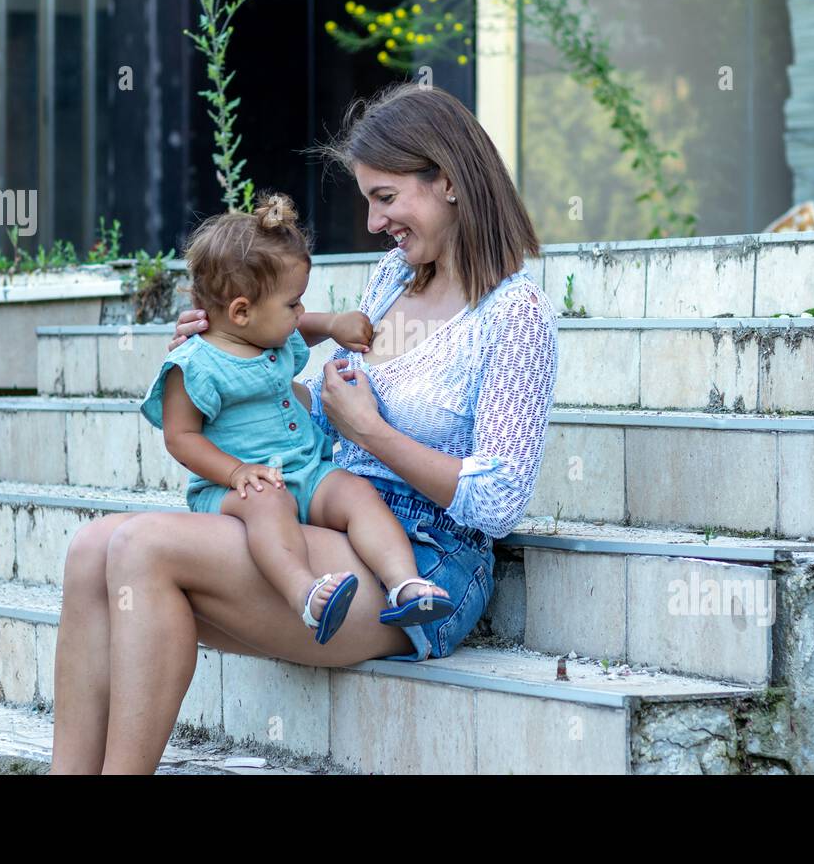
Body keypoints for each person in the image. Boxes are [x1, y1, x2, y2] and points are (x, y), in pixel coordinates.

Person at [50, 83, 559, 773]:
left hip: (424, 561)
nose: (375, 222)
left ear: (448, 182)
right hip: (327, 507)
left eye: (385, 198)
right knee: (91, 551)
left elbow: (498, 501)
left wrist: (373, 433)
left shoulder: (513, 315)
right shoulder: (393, 280)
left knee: (141, 546)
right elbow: (314, 420)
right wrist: (222, 356)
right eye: (369, 200)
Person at [138, 191, 456, 646]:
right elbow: (180, 437)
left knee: (357, 492)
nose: (300, 314)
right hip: (239, 488)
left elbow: (297, 324)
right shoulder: (195, 364)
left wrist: (331, 325)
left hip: (306, 472)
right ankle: (304, 593)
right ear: (241, 311)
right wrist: (236, 472)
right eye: (294, 305)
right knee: (268, 505)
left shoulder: (272, 338)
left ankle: (406, 584)